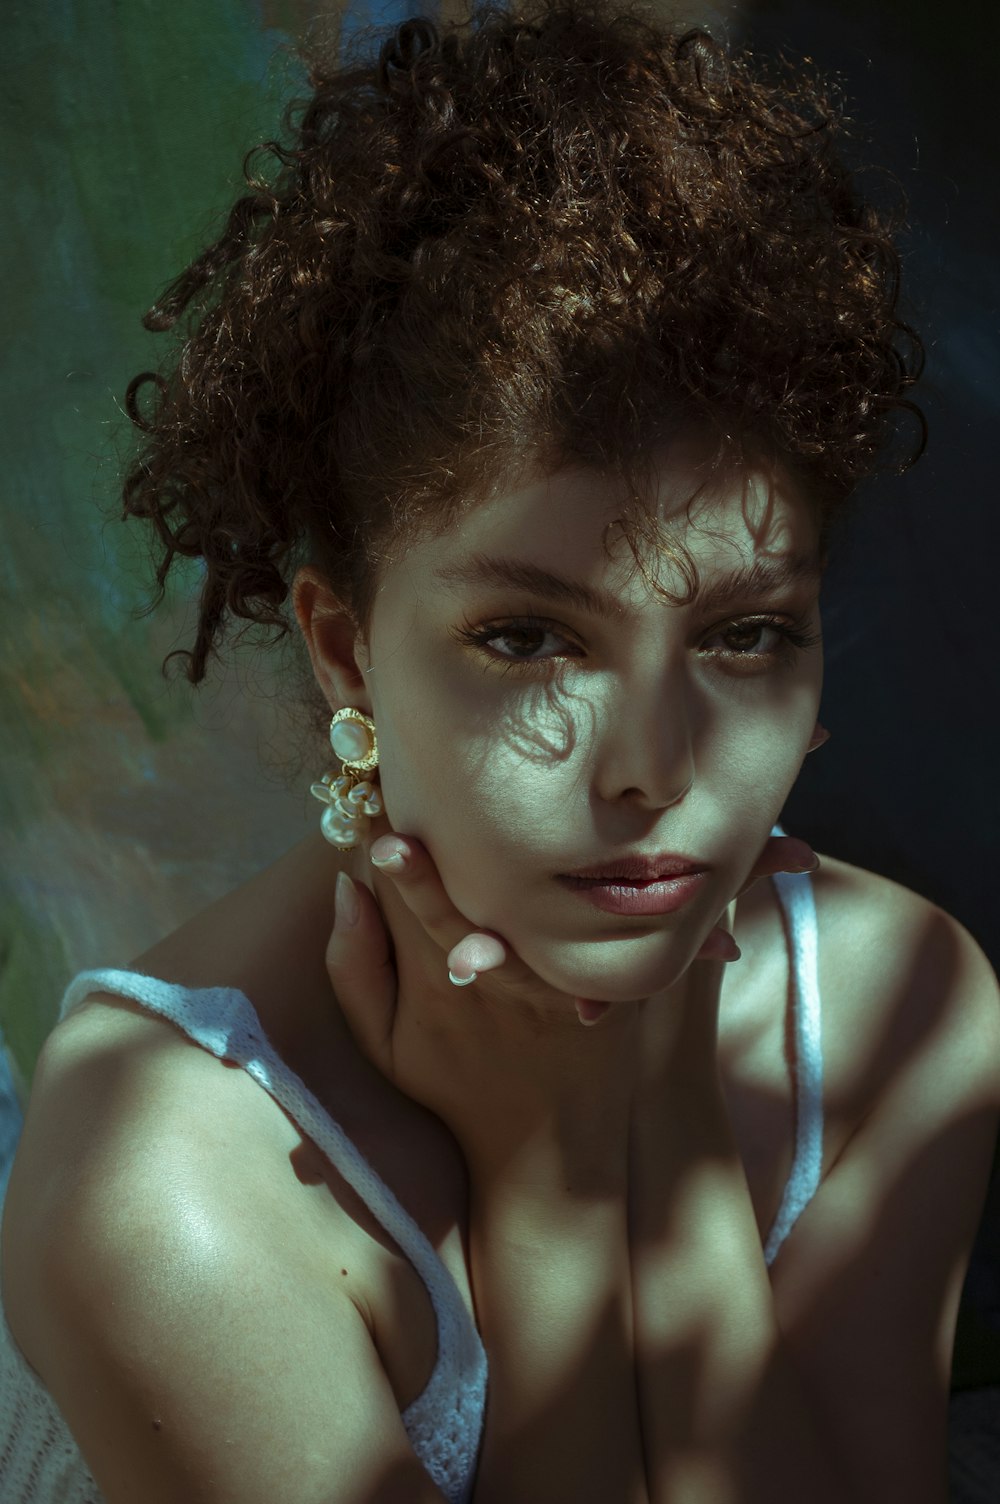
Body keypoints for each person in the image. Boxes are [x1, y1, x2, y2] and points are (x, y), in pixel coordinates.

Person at [1, 2, 998, 1500]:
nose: (648, 767)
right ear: (346, 648)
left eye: (741, 636)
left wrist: (651, 1114)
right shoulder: (165, 1180)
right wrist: (548, 1193)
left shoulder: (892, 1008)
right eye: (529, 639)